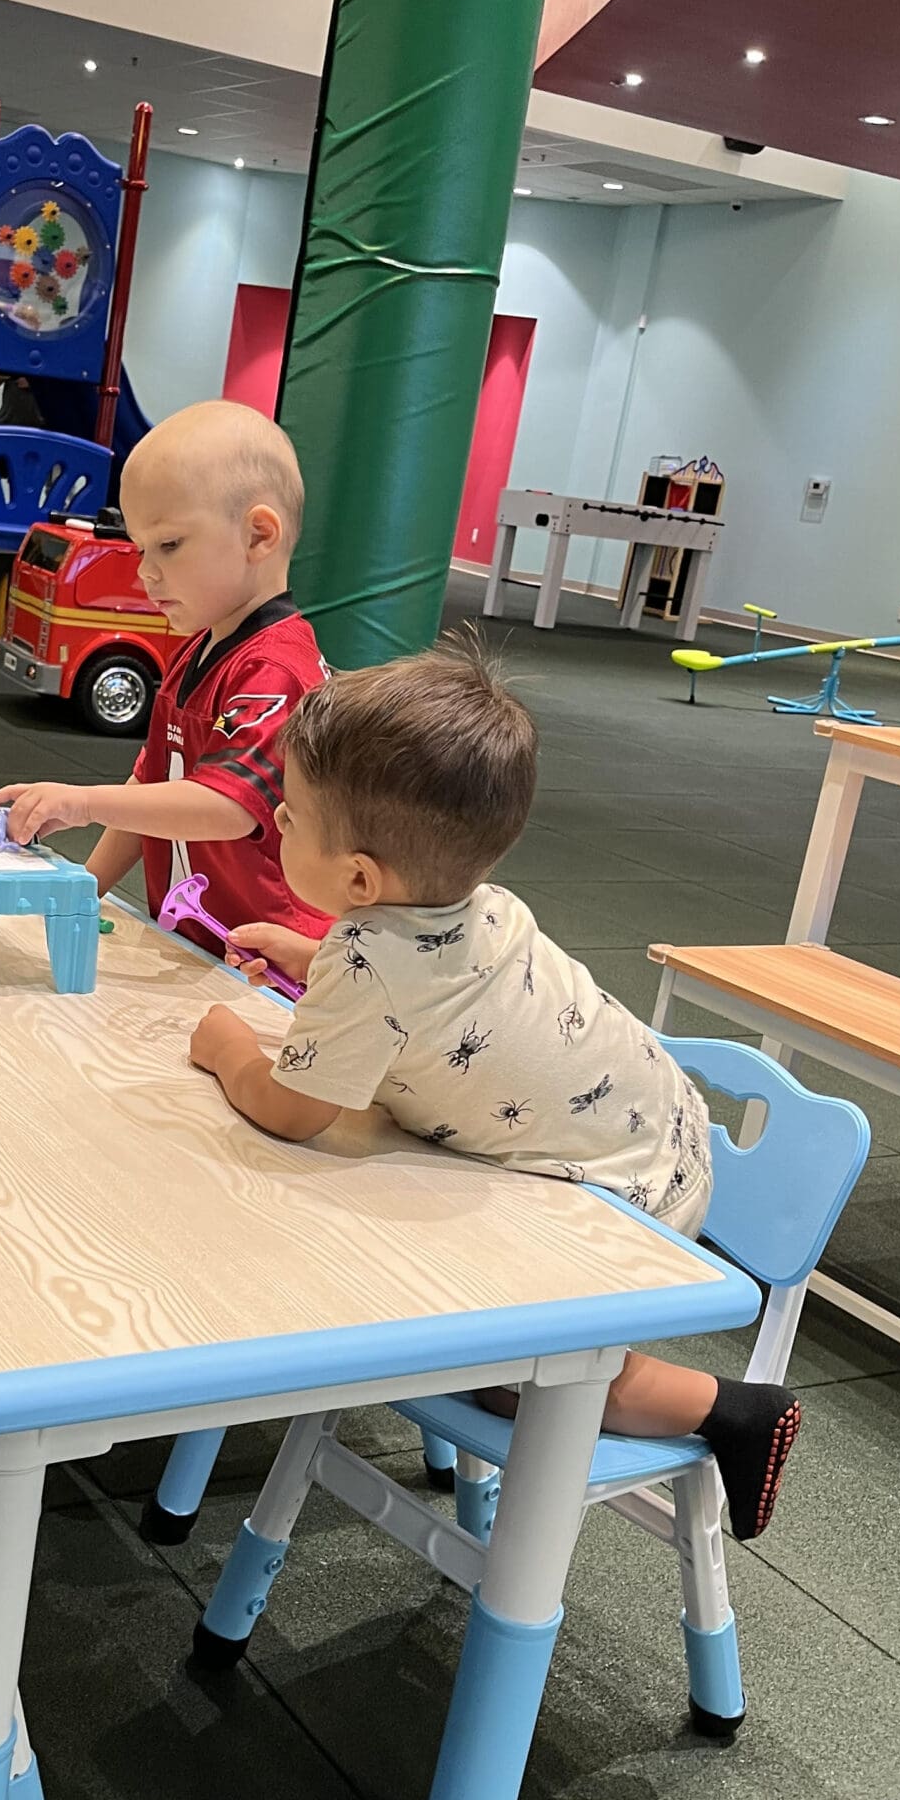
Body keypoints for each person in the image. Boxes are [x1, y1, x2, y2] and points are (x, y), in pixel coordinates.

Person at [188, 639, 801, 1540]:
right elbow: (427, 989)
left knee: (521, 1373)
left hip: (618, 1201)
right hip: (664, 1131)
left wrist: (227, 1047)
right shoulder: (479, 899)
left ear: (359, 879)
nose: (275, 823)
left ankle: (730, 1411)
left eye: (290, 817)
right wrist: (320, 962)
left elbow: (291, 1113)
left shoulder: (369, 958)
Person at [0, 399, 327, 952]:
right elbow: (150, 787)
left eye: (169, 545)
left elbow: (229, 808)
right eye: (141, 547)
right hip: (205, 945)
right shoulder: (199, 648)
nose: (146, 571)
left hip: (273, 963)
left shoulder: (277, 669)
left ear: (258, 536)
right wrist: (83, 892)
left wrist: (81, 802)